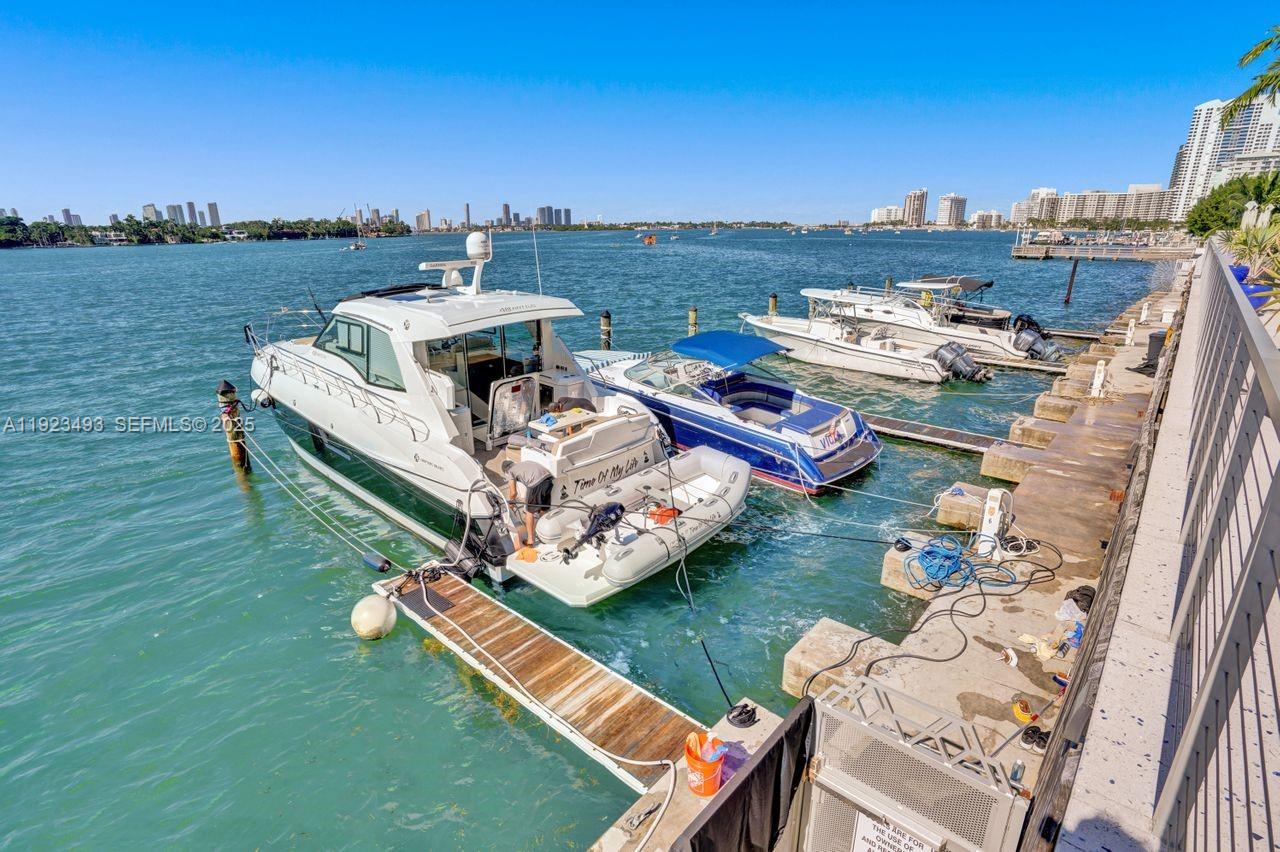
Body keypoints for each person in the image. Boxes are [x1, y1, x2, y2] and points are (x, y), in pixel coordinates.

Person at [502, 459, 553, 547]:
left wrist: (511, 504)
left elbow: (513, 493)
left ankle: (530, 541)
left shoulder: (510, 472)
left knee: (529, 512)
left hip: (536, 484)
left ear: (505, 470)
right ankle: (545, 535)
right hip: (548, 480)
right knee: (543, 510)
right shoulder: (523, 463)